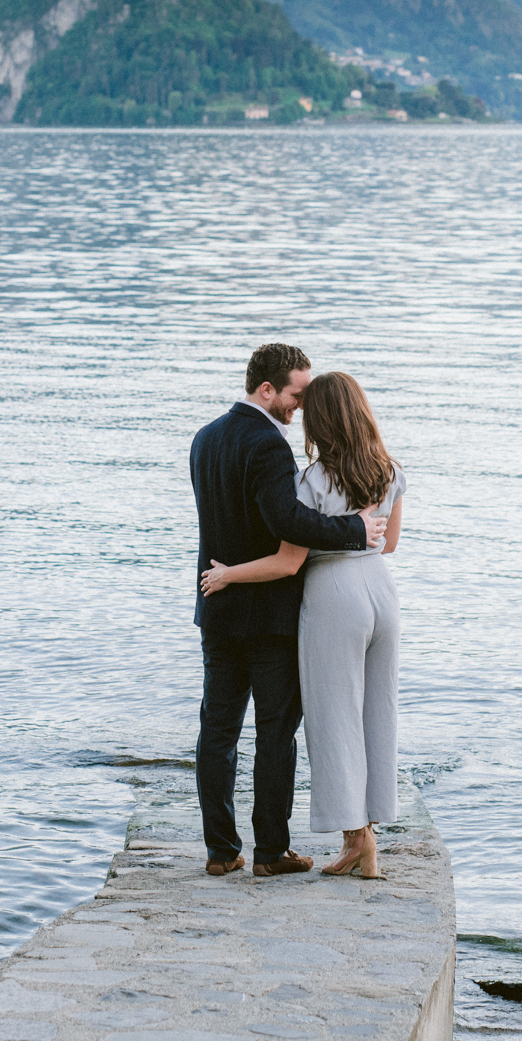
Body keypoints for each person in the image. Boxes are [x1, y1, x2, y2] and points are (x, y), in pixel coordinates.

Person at [187, 343, 385, 877]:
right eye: (296, 394)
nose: (301, 405)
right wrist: (355, 529)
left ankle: (221, 851)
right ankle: (271, 852)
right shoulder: (269, 445)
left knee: (218, 730)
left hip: (218, 605)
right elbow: (289, 524)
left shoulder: (204, 438)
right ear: (267, 389)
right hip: (269, 615)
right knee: (275, 732)